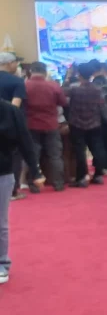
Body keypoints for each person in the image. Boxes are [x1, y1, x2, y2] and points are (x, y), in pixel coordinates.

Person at [0, 99, 45, 284]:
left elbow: (25, 141)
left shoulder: (10, 111)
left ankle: (2, 262)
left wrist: (36, 171)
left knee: (0, 221)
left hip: (2, 173)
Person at [24, 61, 67, 192]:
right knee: (55, 155)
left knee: (33, 156)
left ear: (31, 71)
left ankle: (33, 184)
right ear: (45, 72)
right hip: (51, 124)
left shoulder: (24, 85)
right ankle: (58, 183)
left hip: (31, 125)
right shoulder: (53, 86)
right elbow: (63, 102)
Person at [64, 62, 107, 188]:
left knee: (80, 151)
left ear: (79, 74)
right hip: (95, 123)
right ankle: (98, 175)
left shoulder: (74, 89)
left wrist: (67, 77)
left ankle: (82, 177)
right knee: (97, 149)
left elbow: (62, 93)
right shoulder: (97, 89)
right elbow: (102, 106)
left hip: (76, 123)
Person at [0, 52, 27, 199]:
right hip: (8, 125)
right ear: (10, 63)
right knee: (14, 157)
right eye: (16, 62)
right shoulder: (16, 82)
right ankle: (12, 191)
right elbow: (15, 106)